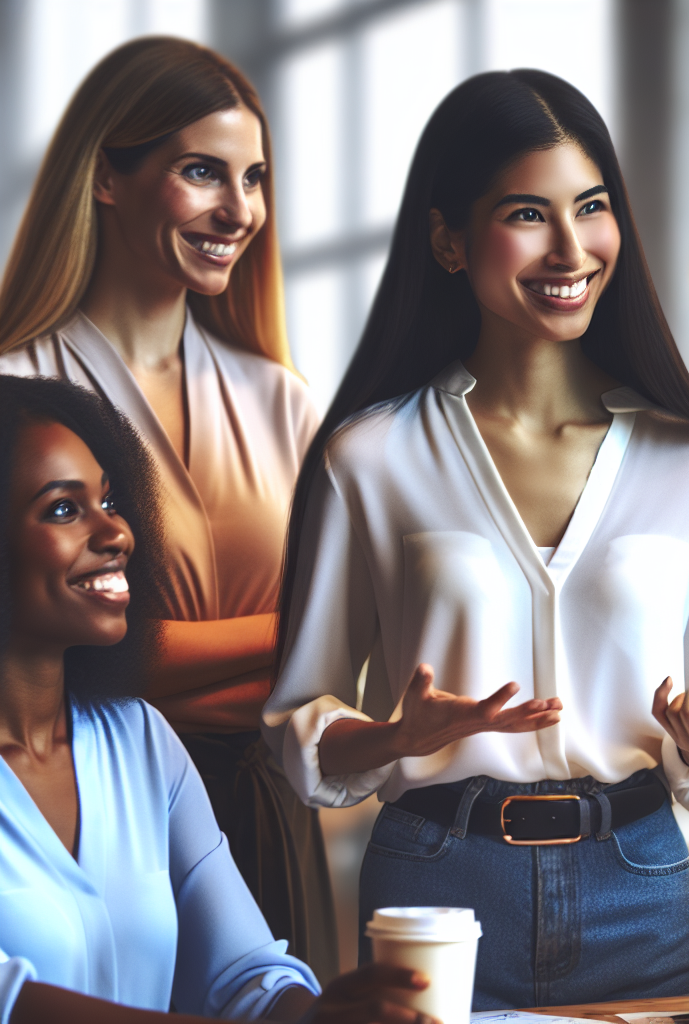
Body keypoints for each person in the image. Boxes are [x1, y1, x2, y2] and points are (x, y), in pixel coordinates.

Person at [262, 69, 689, 1010]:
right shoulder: (370, 456)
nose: (571, 247)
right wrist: (391, 734)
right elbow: (296, 726)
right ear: (446, 238)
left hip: (638, 882)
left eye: (591, 208)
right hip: (435, 884)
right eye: (527, 212)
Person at [0, 38, 336, 978]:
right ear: (108, 177)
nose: (240, 212)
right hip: (83, 804)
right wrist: (302, 639)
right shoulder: (15, 388)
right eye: (202, 173)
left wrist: (156, 662)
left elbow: (349, 662)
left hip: (272, 820)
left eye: (255, 179)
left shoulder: (284, 400)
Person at [0, 374, 435, 1024]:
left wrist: (311, 1015)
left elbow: (245, 975)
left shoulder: (141, 740)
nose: (116, 533)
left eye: (110, 500)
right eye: (64, 508)